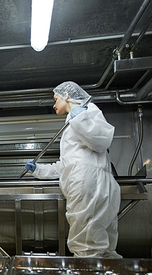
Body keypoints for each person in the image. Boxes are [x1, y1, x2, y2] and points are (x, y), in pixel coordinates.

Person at [24, 81, 122, 259]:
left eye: (56, 99)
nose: (54, 104)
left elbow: (102, 141)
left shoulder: (88, 110)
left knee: (86, 246)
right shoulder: (73, 121)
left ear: (67, 96)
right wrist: (39, 170)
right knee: (105, 248)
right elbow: (67, 165)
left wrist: (80, 119)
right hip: (96, 182)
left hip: (88, 184)